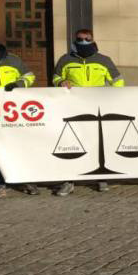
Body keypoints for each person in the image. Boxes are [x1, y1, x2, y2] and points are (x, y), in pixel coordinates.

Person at [52, 28, 124, 196]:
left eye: (87, 38)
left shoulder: (104, 60)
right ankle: (69, 180)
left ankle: (101, 178)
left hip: (97, 108)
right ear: (74, 40)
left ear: (93, 40)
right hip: (73, 107)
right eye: (80, 38)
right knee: (72, 144)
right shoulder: (65, 59)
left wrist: (108, 95)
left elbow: (118, 81)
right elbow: (55, 77)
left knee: (97, 142)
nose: (83, 41)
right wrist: (61, 81)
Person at [0, 40, 39, 198]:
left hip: (16, 112)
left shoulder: (13, 60)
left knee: (20, 147)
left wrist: (19, 83)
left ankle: (27, 180)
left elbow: (29, 76)